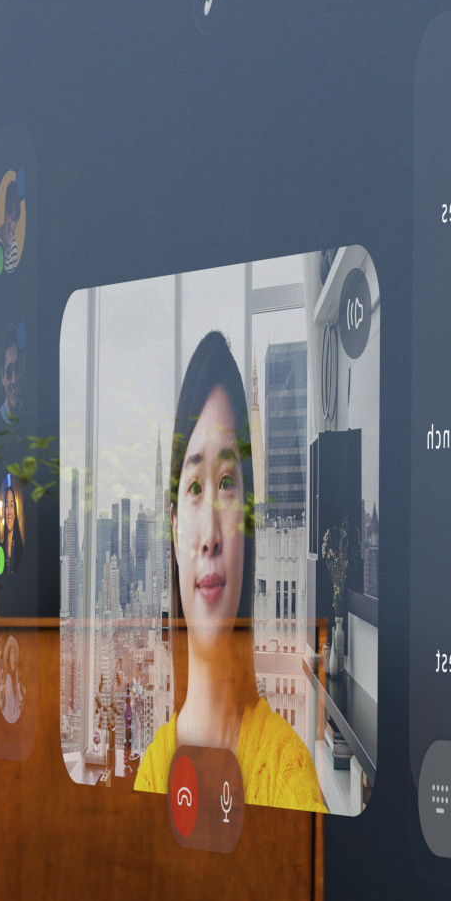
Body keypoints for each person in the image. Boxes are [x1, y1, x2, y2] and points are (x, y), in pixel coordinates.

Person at [134, 330, 326, 814]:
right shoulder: (150, 774)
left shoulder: (289, 779)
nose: (211, 536)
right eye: (194, 487)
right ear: (173, 526)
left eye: (227, 483)